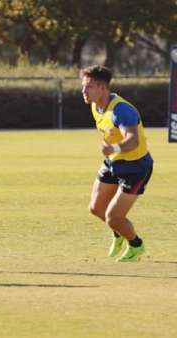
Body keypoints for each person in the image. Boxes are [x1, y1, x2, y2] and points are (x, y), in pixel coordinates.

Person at [81, 65, 153, 262]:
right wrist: (110, 149)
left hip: (136, 167)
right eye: (83, 86)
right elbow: (108, 132)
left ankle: (136, 245)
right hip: (113, 163)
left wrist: (113, 149)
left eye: (88, 87)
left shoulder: (121, 110)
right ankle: (119, 232)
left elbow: (133, 140)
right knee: (96, 208)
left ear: (102, 88)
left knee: (114, 217)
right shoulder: (96, 106)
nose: (83, 91)